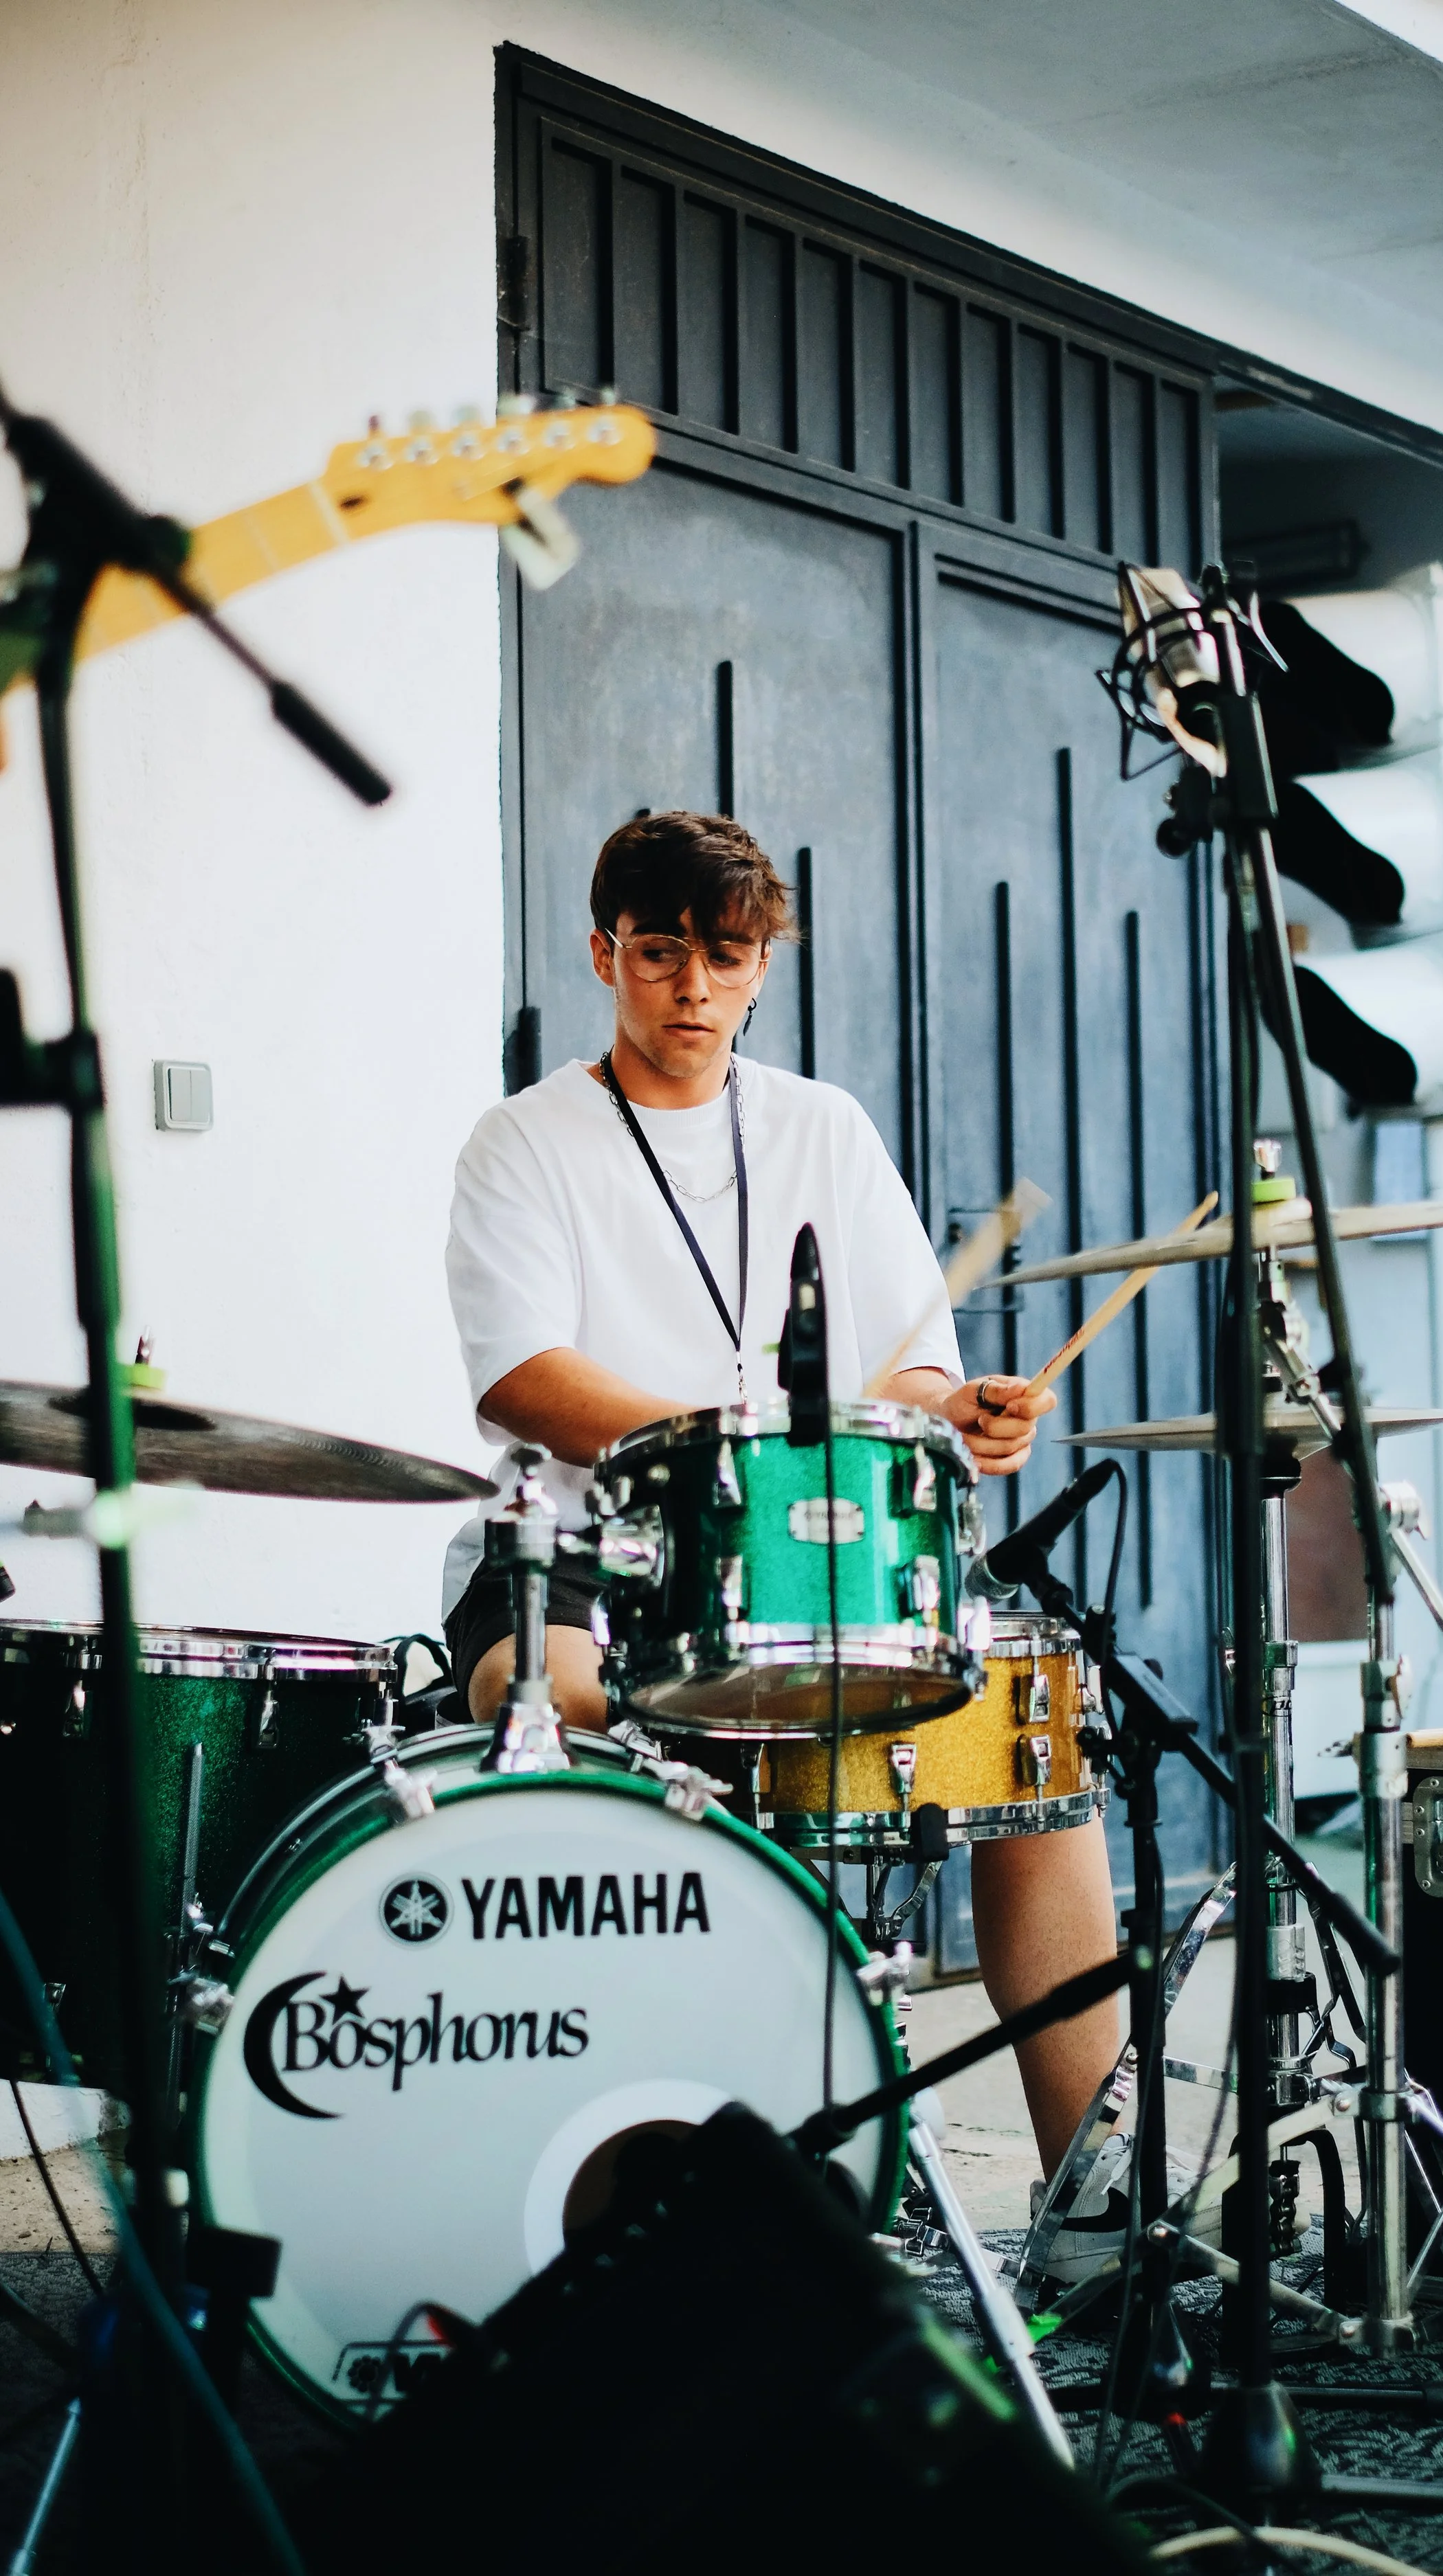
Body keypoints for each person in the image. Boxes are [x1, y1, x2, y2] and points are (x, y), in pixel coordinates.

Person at [442, 810, 1122, 2250]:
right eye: (660, 953)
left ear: (762, 969)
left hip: (805, 1560)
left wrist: (965, 1414)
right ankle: (619, 2139)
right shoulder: (525, 1141)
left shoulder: (820, 1127)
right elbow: (523, 1376)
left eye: (726, 957)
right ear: (604, 955)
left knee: (1026, 1729)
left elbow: (914, 1363)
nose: (692, 988)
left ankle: (1093, 2193)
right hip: (580, 1554)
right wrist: (720, 1452)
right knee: (549, 1698)